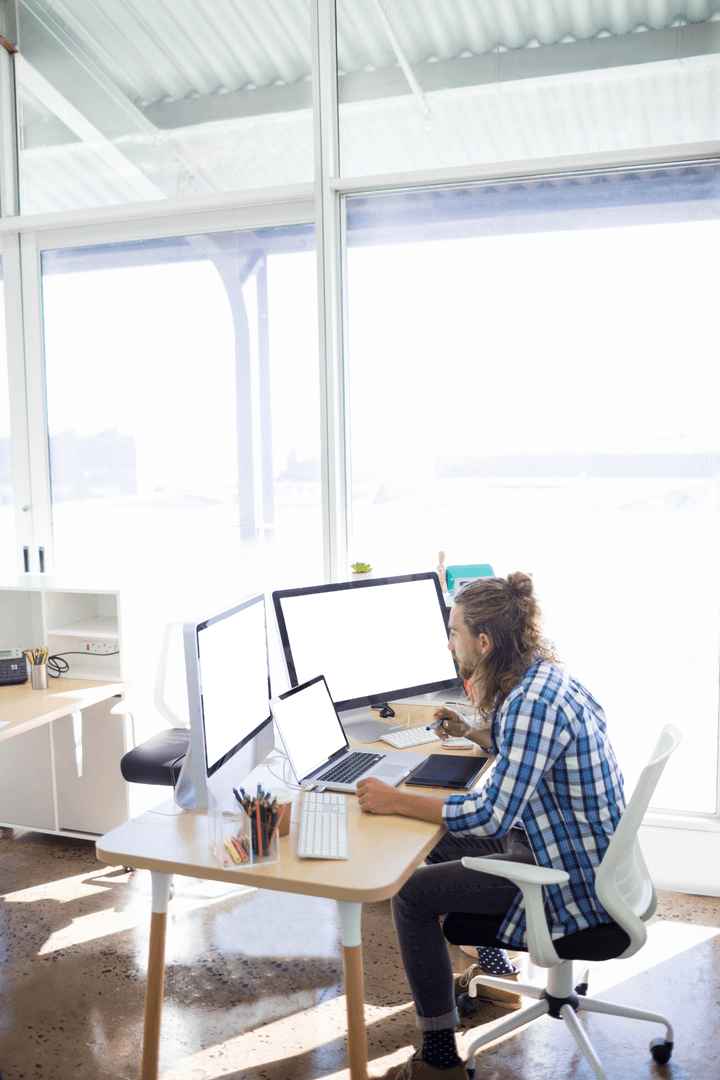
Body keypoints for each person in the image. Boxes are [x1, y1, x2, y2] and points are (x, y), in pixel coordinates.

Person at [357, 572, 625, 1080]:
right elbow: (524, 750)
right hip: (568, 844)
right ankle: (496, 969)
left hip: (566, 876)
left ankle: (439, 1060)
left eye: (454, 632)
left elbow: (489, 815)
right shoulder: (542, 677)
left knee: (411, 894)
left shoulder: (530, 703)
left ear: (483, 642)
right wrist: (473, 732)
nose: (448, 643)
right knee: (437, 843)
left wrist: (396, 800)